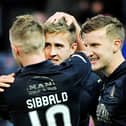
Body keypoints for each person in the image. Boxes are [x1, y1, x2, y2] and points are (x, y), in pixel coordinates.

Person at [0, 14, 94, 126]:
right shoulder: (74, 72)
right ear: (41, 46)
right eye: (47, 45)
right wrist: (73, 21)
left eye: (58, 46)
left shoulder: (9, 88)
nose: (52, 52)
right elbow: (86, 53)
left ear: (16, 50)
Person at [80, 14, 126, 126]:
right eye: (86, 46)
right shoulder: (104, 82)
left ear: (116, 45)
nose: (88, 53)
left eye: (95, 45)